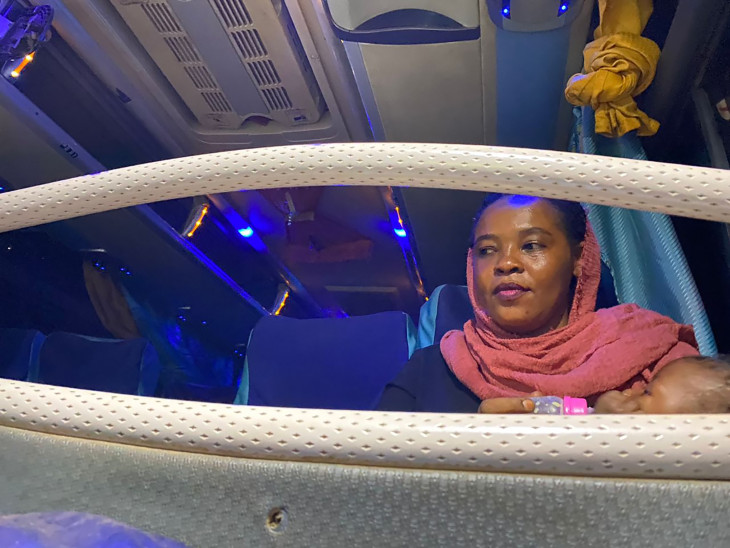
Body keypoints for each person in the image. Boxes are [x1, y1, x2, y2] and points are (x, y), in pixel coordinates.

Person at [377, 194, 699, 413]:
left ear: (578, 258)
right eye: (487, 250)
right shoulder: (429, 368)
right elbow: (370, 492)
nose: (505, 264)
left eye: (531, 245)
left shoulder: (649, 349)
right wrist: (474, 451)